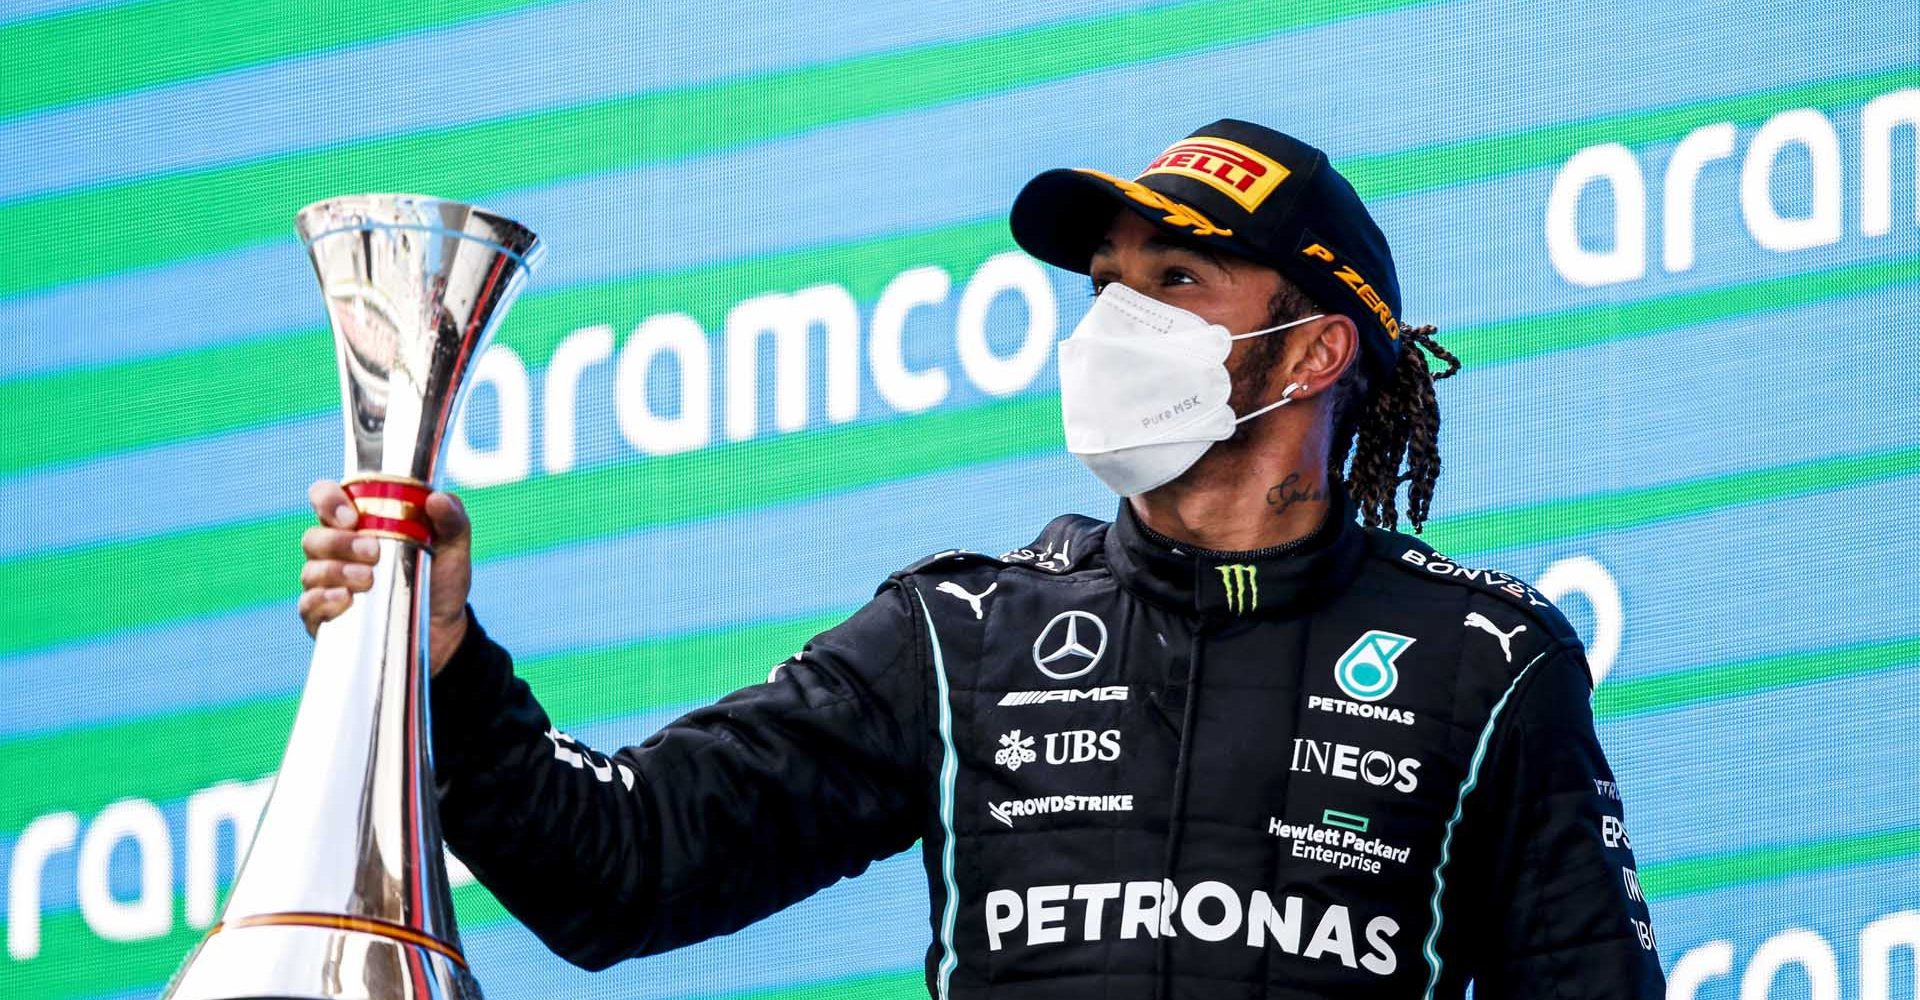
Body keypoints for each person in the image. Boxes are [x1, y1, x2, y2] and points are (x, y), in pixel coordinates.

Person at [299, 120, 1664, 998]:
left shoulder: (1482, 661)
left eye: (1178, 282)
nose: (1121, 320)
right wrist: (450, 666)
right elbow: (623, 870)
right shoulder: (963, 638)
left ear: (1314, 353)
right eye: (1108, 286)